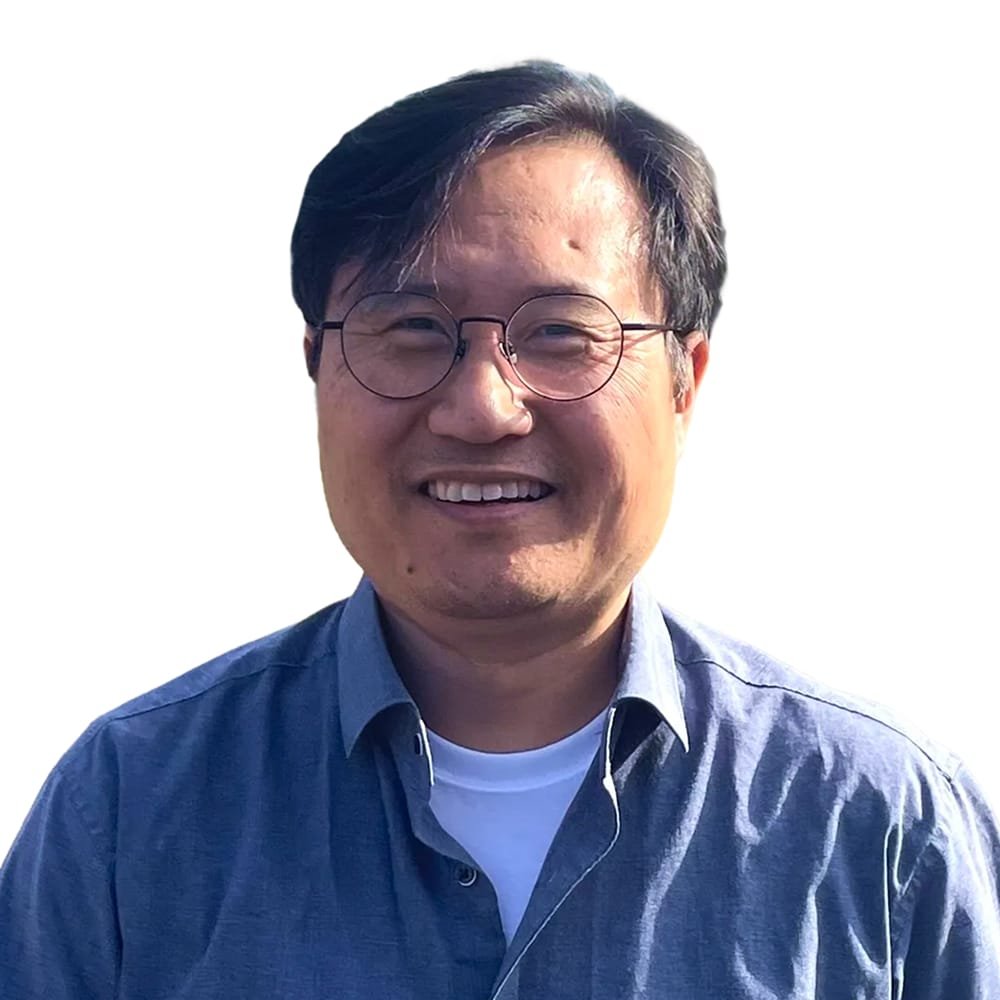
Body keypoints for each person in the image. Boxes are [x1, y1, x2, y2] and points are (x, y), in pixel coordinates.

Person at [1, 61, 998, 999]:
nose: (482, 409)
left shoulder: (876, 819)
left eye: (561, 332)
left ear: (687, 383)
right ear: (316, 369)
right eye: (412, 330)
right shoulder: (130, 807)